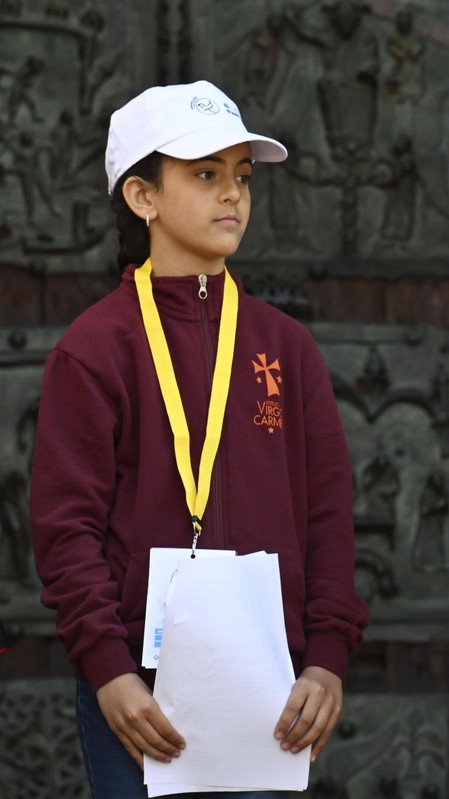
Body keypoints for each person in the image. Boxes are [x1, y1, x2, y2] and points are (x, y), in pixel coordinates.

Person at [30, 80, 369, 798]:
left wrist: (328, 659)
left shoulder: (287, 347)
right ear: (142, 196)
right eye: (205, 174)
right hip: (140, 694)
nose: (233, 196)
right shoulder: (94, 348)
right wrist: (110, 671)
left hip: (271, 690)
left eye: (242, 177)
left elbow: (329, 518)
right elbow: (67, 530)